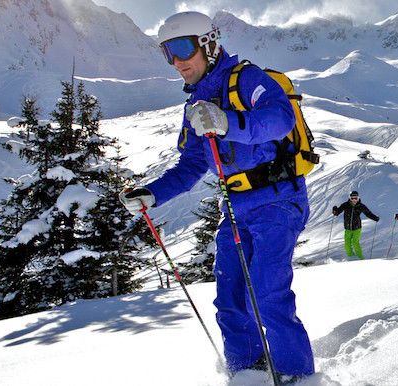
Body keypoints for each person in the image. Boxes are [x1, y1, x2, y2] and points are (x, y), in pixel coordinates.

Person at [117, 11, 313, 380]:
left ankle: (297, 377)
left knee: (267, 294)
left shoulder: (247, 79)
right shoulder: (195, 107)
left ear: (209, 44)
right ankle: (246, 374)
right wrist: (152, 195)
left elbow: (280, 118)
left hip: (278, 199)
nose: (177, 62)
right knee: (230, 300)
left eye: (182, 48)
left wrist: (228, 122)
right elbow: (192, 165)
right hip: (235, 208)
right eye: (167, 52)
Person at [331, 191, 379, 259]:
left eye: (355, 198)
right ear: (350, 198)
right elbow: (337, 212)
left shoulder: (361, 206)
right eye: (352, 198)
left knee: (355, 243)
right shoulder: (345, 205)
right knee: (347, 245)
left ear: (358, 198)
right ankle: (351, 257)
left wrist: (375, 218)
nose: (354, 200)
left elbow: (368, 213)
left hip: (357, 228)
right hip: (348, 229)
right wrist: (335, 211)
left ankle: (360, 258)